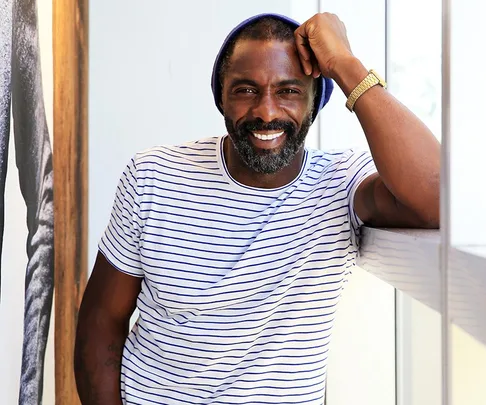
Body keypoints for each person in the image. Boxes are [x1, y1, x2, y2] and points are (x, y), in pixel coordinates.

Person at [74, 12, 440, 405]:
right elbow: (102, 323)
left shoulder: (340, 182)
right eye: (246, 90)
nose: (266, 112)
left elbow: (438, 197)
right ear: (220, 98)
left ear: (314, 103)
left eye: (288, 91)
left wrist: (344, 65)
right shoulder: (153, 175)